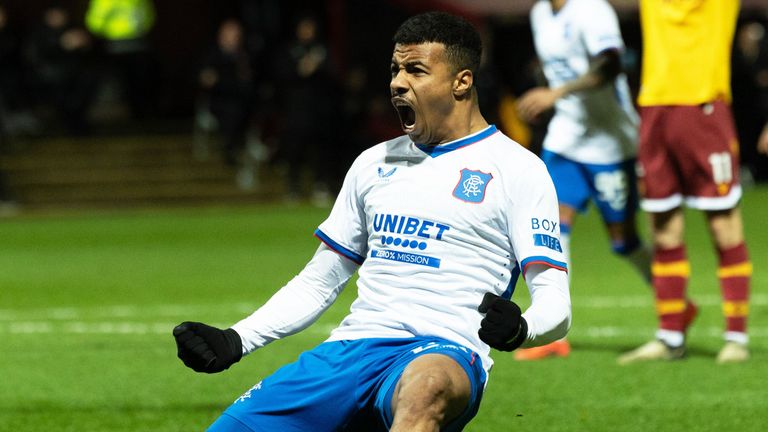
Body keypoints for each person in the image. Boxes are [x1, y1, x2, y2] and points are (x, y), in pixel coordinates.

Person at [173, 11, 571, 431]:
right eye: (396, 69)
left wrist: (520, 330)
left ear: (462, 82)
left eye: (415, 70)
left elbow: (556, 303)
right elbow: (320, 280)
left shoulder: (518, 170)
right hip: (350, 349)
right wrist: (236, 339)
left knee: (427, 388)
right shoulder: (374, 163)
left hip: (445, 350)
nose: (398, 81)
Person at [515, 0, 651, 360]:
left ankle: (673, 303)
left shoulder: (592, 10)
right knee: (551, 229)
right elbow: (556, 68)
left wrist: (555, 94)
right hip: (566, 140)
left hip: (611, 143)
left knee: (624, 241)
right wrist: (546, 90)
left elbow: (610, 65)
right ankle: (553, 330)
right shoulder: (540, 14)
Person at [618, 0, 752, 364]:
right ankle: (670, 336)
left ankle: (736, 337)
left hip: (704, 108)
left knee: (724, 227)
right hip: (655, 111)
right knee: (663, 230)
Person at [198, 18, 256, 166]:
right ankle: (230, 148)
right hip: (219, 102)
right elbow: (205, 79)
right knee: (231, 111)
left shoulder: (245, 55)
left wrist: (223, 80)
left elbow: (247, 82)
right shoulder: (211, 54)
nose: (232, 37)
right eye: (229, 33)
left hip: (242, 100)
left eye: (235, 34)